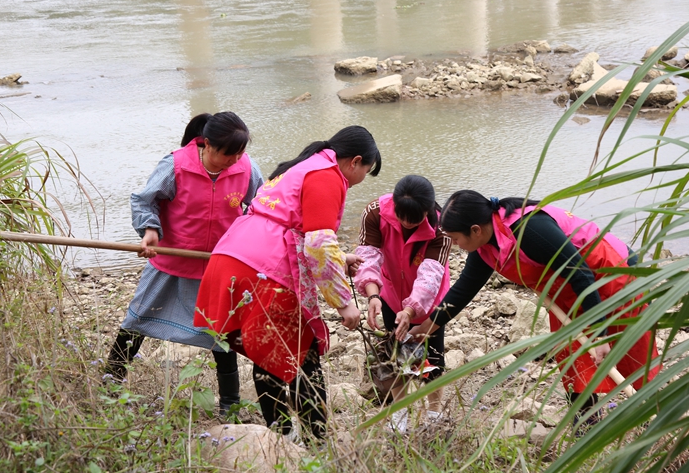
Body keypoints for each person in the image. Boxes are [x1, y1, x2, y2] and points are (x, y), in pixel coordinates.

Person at [401, 190, 660, 428]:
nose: (455, 245)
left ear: (475, 230)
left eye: (456, 239)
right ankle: (586, 429)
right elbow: (463, 290)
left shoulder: (529, 229)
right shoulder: (485, 247)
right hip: (566, 292)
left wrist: (600, 332)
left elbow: (580, 273)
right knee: (572, 358)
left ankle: (656, 418)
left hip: (609, 276)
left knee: (631, 352)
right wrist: (427, 326)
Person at [193, 125, 381, 441]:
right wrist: (344, 302)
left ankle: (278, 436)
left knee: (265, 349)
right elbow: (319, 244)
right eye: (367, 170)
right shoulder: (328, 175)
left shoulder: (304, 165)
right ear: (355, 161)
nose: (362, 177)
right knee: (302, 356)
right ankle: (316, 441)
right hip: (264, 269)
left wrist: (340, 257)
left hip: (233, 256)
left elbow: (298, 230)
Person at [105, 112, 264, 417]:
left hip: (218, 267)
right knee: (137, 320)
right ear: (207, 145)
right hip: (170, 261)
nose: (235, 160)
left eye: (240, 153)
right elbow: (144, 200)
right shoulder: (176, 165)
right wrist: (150, 230)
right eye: (228, 154)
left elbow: (261, 207)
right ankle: (109, 383)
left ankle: (229, 404)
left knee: (221, 334)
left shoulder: (246, 168)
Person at [354, 175, 452, 433]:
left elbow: (431, 276)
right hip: (389, 291)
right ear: (394, 205)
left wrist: (411, 311)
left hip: (429, 298)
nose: (407, 222)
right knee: (394, 348)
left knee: (431, 354)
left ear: (428, 210)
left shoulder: (442, 226)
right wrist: (373, 295)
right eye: (402, 216)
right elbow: (368, 257)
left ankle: (433, 411)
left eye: (415, 218)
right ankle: (399, 412)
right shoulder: (375, 213)